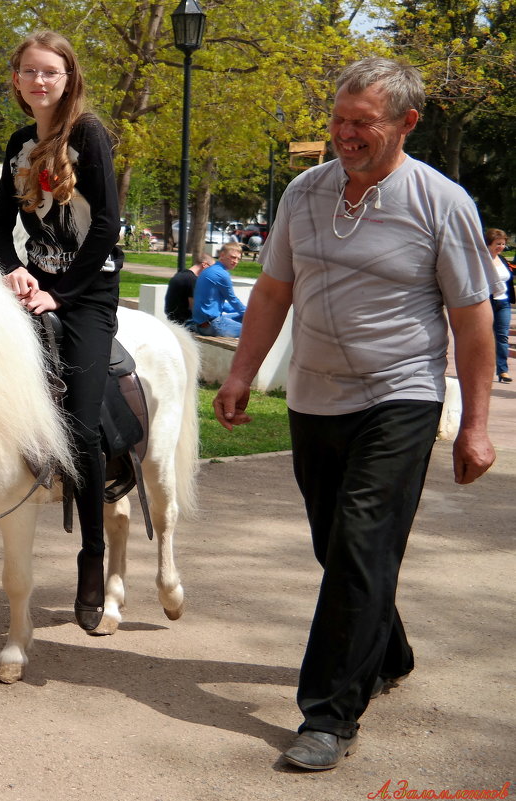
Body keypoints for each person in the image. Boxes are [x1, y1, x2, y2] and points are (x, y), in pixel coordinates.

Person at [213, 57, 498, 771]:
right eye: (338, 120)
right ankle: (388, 648)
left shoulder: (442, 202)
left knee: (362, 543)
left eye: (361, 122)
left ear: (406, 121)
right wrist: (242, 372)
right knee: (337, 546)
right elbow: (274, 290)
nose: (343, 134)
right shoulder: (304, 195)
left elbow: (472, 323)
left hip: (399, 397)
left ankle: (328, 714)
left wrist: (477, 423)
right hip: (315, 396)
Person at [0, 31, 121, 632]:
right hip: (35, 285)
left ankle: (92, 555)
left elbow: (105, 230)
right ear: (16, 80)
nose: (40, 82)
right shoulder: (19, 143)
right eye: (29, 72)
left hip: (88, 294)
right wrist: (15, 272)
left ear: (69, 79)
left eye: (51, 72)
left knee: (83, 424)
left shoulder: (89, 136)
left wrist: (58, 294)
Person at [191, 242, 247, 336]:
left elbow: (216, 303)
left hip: (201, 324)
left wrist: (246, 311)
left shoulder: (209, 270)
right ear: (222, 255)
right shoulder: (222, 274)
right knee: (255, 330)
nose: (236, 261)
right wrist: (250, 314)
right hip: (211, 326)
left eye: (238, 259)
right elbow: (233, 300)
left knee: (242, 316)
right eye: (233, 257)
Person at [485, 228, 514, 383]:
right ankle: (483, 368)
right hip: (486, 302)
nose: (501, 247)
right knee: (485, 337)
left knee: (502, 336)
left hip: (503, 302)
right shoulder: (481, 260)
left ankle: (503, 371)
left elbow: (508, 279)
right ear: (489, 243)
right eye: (498, 243)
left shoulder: (502, 260)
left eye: (503, 244)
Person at [164, 251, 210, 326]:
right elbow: (195, 309)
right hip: (186, 323)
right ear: (204, 265)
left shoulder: (180, 275)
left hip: (172, 320)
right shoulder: (192, 280)